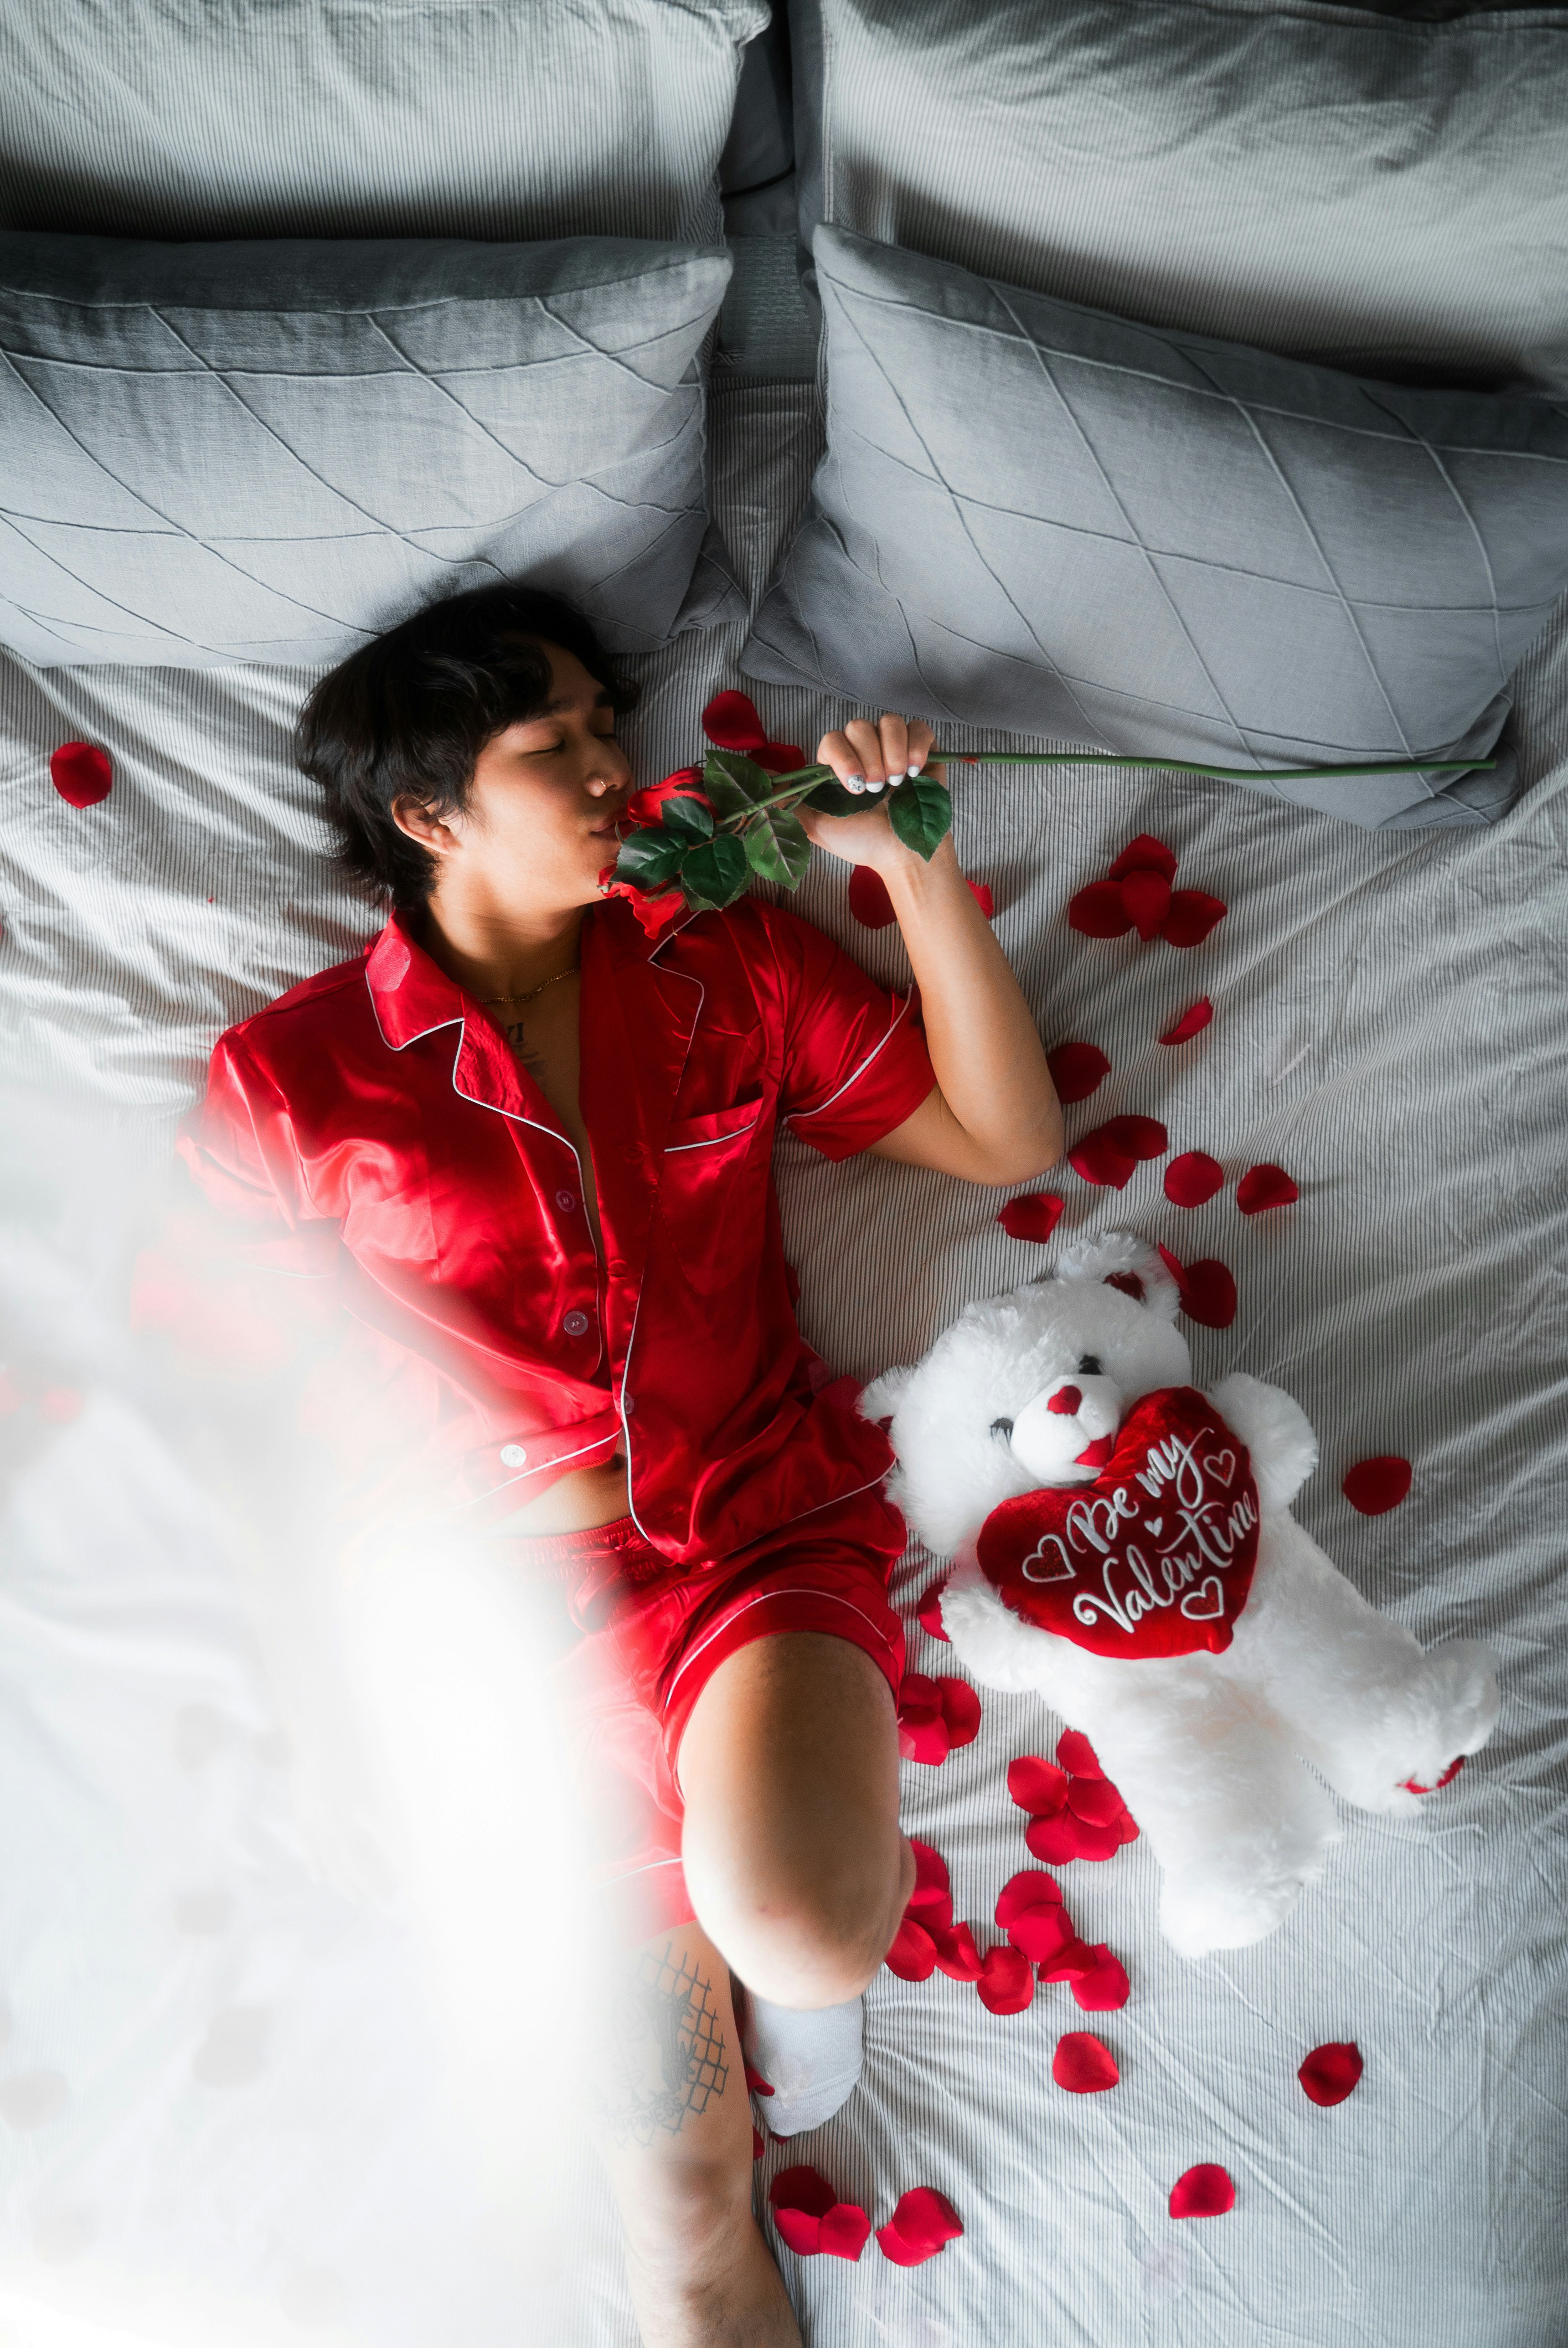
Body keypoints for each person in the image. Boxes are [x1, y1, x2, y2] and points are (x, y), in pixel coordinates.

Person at [178, 583, 1062, 2347]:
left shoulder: (716, 955)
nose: (611, 771)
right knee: (678, 2224)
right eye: (552, 746)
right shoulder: (289, 1085)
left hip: (751, 1544)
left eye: (605, 727)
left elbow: (1004, 1137)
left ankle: (797, 2002)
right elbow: (226, 1420)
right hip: (512, 1642)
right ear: (430, 817)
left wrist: (909, 870)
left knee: (806, 1935)